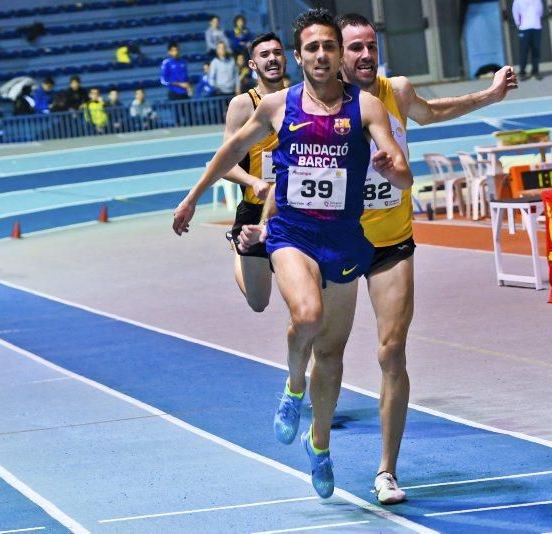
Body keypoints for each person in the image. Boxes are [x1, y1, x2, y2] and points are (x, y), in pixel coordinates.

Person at [172, 8, 412, 499]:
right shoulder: (279, 105)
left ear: (338, 54)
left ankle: (319, 446)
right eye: (312, 48)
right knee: (307, 315)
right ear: (299, 56)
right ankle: (292, 388)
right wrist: (193, 196)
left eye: (329, 46)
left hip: (345, 239)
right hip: (291, 233)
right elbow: (229, 150)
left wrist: (394, 168)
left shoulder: (366, 108)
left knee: (332, 351)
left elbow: (405, 176)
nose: (321, 55)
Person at [334, 13, 518, 504]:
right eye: (355, 48)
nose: (366, 55)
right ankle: (311, 422)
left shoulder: (397, 90)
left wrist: (489, 96)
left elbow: (432, 112)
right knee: (323, 347)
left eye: (371, 45)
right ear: (337, 54)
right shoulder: (319, 104)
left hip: (391, 239)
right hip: (334, 240)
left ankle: (387, 472)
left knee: (391, 351)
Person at [219, 32, 286, 312]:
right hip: (254, 211)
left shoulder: (300, 97)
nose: (272, 58)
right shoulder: (243, 105)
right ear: (253, 64)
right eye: (264, 55)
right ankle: (238, 246)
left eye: (276, 53)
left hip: (292, 212)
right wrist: (252, 180)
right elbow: (224, 163)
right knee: (258, 302)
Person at [512, 0, 544, 80]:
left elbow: (540, 11)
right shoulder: (517, 1)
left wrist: (537, 21)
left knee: (536, 50)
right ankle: (522, 72)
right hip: (524, 28)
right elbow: (515, 12)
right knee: (524, 51)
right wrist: (518, 24)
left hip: (536, 27)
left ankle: (535, 71)